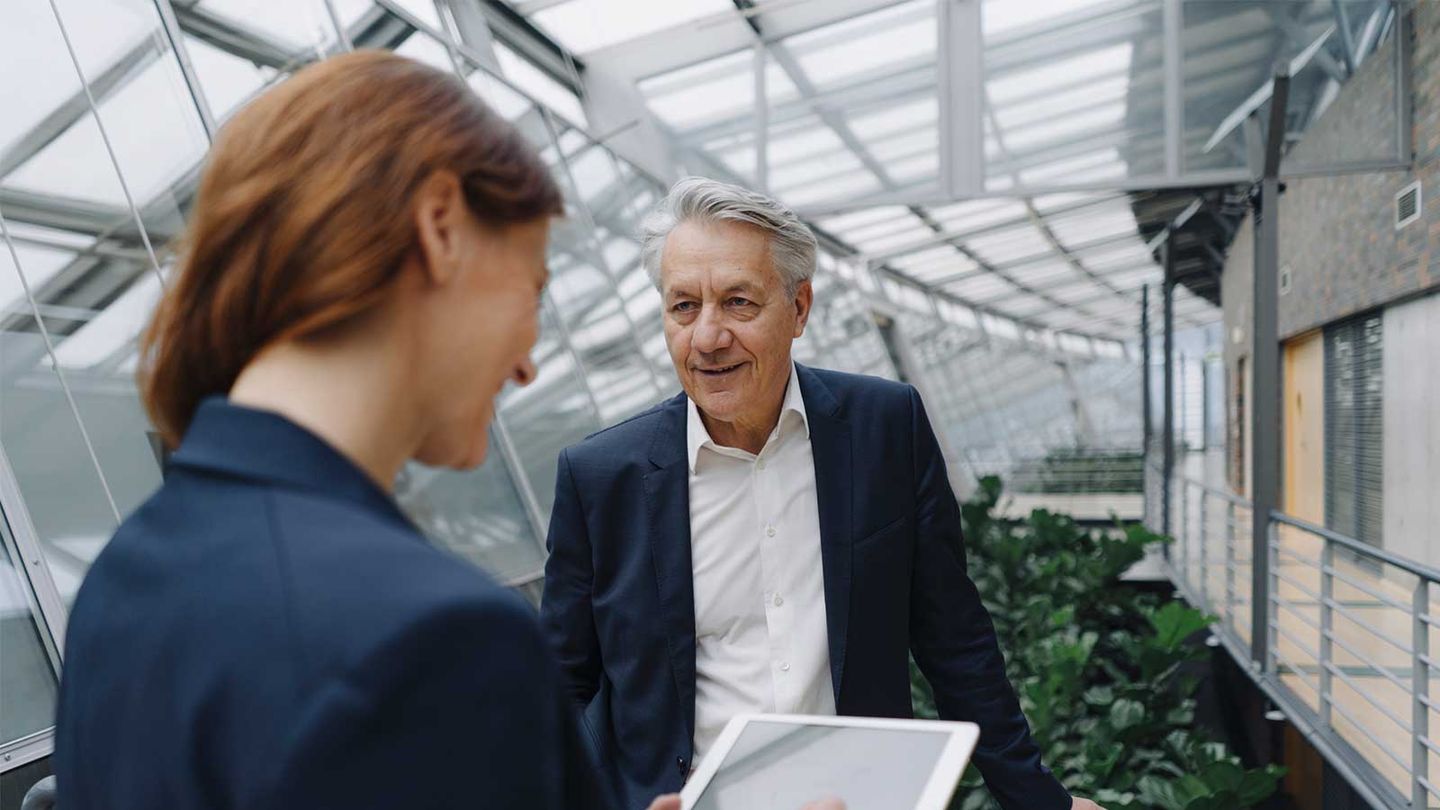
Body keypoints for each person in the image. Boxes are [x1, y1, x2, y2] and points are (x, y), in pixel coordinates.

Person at [51, 51, 677, 810]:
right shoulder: (435, 640)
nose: (528, 366)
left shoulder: (124, 581)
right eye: (533, 289)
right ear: (440, 224)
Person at [541, 178, 1107, 810]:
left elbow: (954, 639)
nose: (707, 337)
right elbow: (560, 687)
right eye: (683, 307)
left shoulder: (885, 427)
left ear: (800, 308)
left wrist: (1038, 802)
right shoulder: (600, 477)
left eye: (738, 303)